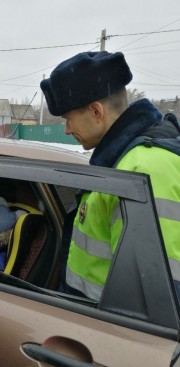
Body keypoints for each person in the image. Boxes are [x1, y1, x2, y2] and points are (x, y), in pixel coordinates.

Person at [40, 51, 180, 300]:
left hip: (109, 333)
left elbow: (156, 298)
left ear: (96, 112)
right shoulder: (121, 161)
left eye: (68, 119)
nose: (67, 130)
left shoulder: (142, 169)